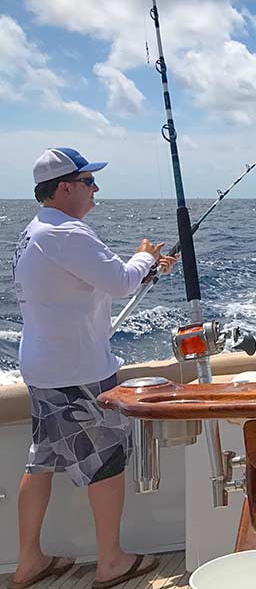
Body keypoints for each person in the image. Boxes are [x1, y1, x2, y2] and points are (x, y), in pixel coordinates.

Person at [11, 148, 176, 589]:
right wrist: (143, 257)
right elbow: (119, 281)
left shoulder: (34, 233)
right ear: (65, 187)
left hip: (44, 366)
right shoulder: (68, 232)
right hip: (77, 371)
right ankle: (111, 562)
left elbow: (89, 283)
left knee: (41, 462)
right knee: (104, 462)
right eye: (88, 181)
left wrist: (144, 269)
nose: (95, 188)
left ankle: (28, 562)